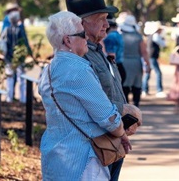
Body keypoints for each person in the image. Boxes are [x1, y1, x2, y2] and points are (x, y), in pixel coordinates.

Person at [38, 11, 131, 180]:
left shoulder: (49, 70)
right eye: (82, 34)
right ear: (68, 40)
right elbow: (107, 116)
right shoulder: (78, 70)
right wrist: (121, 132)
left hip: (55, 157)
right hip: (83, 162)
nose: (86, 38)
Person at [66, 0, 142, 181]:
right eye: (101, 18)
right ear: (82, 23)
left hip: (110, 141)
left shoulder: (97, 50)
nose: (107, 24)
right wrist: (127, 111)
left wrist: (124, 122)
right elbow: (91, 101)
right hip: (94, 147)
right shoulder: (80, 57)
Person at [118, 12, 150, 107]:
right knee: (137, 84)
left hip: (123, 63)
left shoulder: (120, 36)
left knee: (125, 85)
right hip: (136, 63)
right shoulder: (138, 37)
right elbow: (144, 52)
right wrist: (148, 64)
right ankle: (136, 105)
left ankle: (126, 106)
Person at [0, 10, 32, 103]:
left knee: (9, 78)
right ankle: (22, 98)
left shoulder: (6, 30)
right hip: (19, 58)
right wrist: (30, 53)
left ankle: (9, 98)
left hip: (8, 58)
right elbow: (25, 42)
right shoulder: (20, 30)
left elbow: (2, 42)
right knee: (21, 78)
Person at [142, 21, 167, 98]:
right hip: (152, 57)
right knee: (158, 73)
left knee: (148, 73)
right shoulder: (156, 36)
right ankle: (159, 90)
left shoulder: (151, 36)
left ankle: (144, 90)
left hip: (150, 56)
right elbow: (163, 44)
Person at [103, 14, 126, 84]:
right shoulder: (118, 35)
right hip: (120, 65)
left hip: (116, 67)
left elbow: (111, 55)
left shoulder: (110, 37)